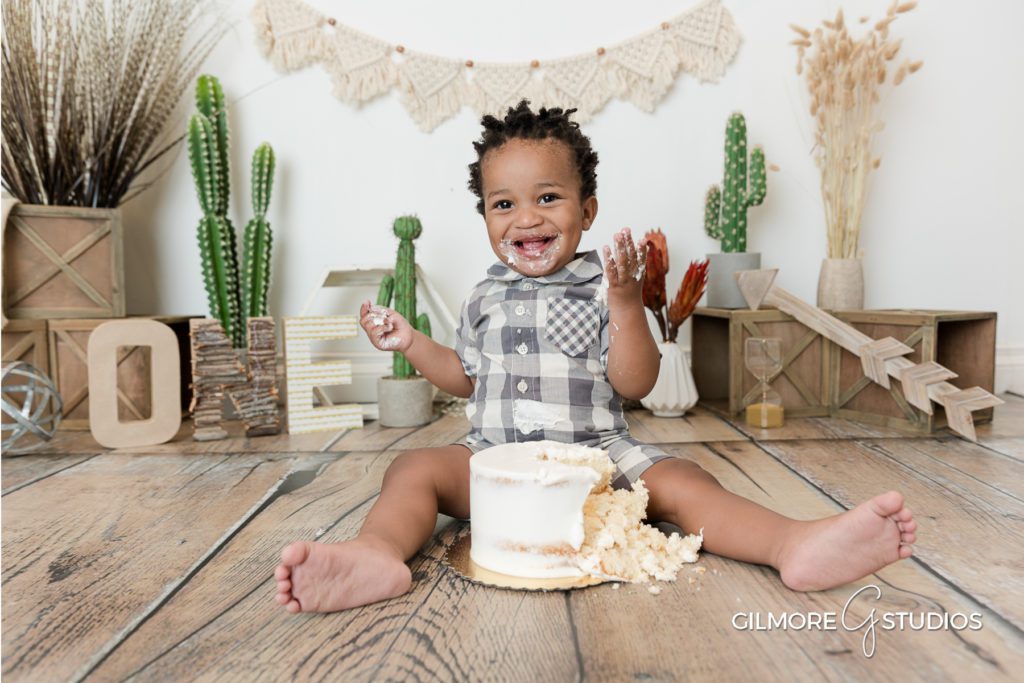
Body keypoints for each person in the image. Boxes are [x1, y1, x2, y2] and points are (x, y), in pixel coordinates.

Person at [274, 101, 917, 614]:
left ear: (587, 211)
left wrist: (626, 299)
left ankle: (791, 543)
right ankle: (377, 553)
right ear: (486, 219)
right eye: (504, 204)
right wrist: (412, 344)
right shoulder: (483, 294)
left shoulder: (603, 287)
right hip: (491, 463)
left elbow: (633, 383)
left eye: (547, 198)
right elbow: (465, 380)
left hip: (600, 461)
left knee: (684, 482)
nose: (526, 217)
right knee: (413, 467)